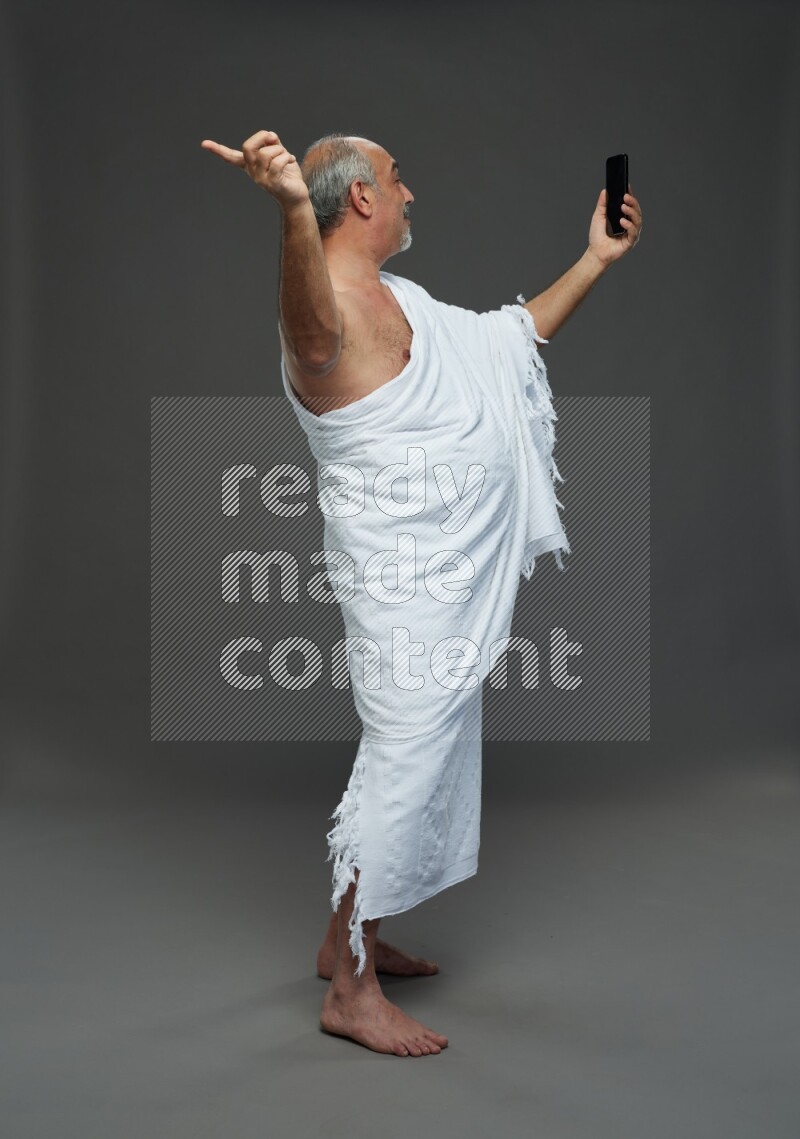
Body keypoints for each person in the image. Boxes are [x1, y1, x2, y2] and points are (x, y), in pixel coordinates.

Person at [201, 129, 643, 1057]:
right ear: (362, 198)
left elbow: (508, 339)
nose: (413, 194)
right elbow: (309, 331)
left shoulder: (403, 299)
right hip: (401, 576)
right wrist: (288, 209)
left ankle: (340, 937)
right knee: (407, 748)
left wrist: (595, 260)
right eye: (400, 181)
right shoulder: (324, 316)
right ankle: (351, 991)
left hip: (445, 577)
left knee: (409, 744)